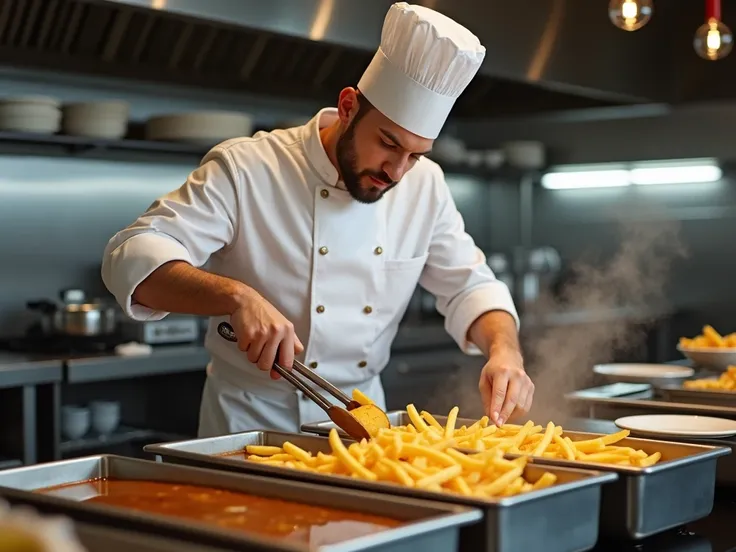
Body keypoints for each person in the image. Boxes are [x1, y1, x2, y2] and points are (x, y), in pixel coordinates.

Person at [101, 2, 534, 438]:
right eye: (388, 143)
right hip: (249, 425)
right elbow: (132, 254)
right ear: (348, 106)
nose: (397, 171)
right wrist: (235, 296)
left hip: (363, 425)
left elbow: (470, 285)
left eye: (416, 154)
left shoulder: (425, 186)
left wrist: (505, 352)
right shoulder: (249, 167)